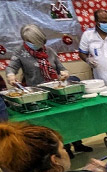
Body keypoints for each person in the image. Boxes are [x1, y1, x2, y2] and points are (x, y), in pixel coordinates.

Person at [8, 24, 91, 157]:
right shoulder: (20, 52)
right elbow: (11, 68)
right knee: (53, 124)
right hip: (37, 95)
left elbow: (60, 67)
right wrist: (11, 76)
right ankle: (64, 148)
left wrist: (64, 73)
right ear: (26, 41)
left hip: (55, 91)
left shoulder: (49, 51)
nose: (37, 45)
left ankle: (77, 143)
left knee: (67, 118)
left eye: (39, 42)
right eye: (33, 42)